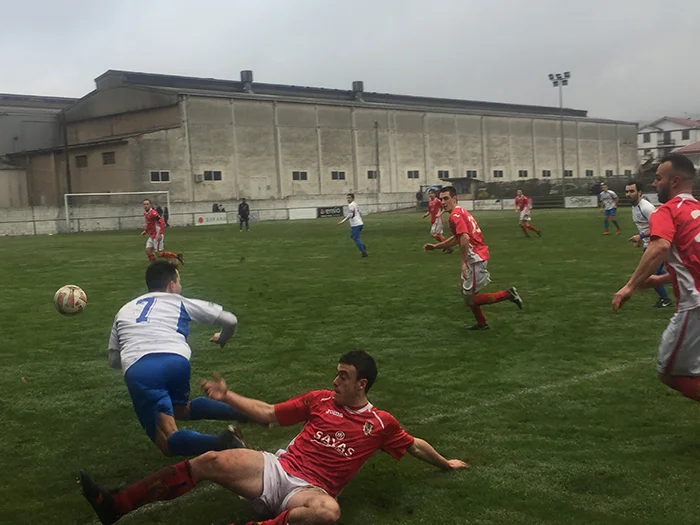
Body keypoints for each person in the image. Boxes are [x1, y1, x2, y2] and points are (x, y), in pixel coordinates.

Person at [80, 350, 468, 525]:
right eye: (336, 373)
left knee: (328, 513)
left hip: (311, 491)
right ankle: (116, 504)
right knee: (211, 460)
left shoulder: (380, 424)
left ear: (361, 384)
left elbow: (414, 444)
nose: (335, 381)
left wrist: (445, 463)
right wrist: (227, 396)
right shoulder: (320, 400)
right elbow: (267, 412)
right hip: (278, 469)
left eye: (344, 376)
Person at [107, 260, 247, 457]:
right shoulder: (179, 302)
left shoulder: (125, 310)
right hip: (177, 361)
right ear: (171, 285)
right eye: (179, 281)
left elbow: (113, 360)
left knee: (167, 443)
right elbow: (230, 320)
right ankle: (246, 413)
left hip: (142, 368)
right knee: (180, 409)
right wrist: (222, 338)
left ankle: (224, 442)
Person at [612, 154, 700, 404]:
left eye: (658, 178)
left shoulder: (667, 211)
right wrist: (659, 280)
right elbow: (692, 262)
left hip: (694, 305)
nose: (654, 183)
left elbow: (659, 246)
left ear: (674, 181)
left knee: (669, 372)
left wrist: (629, 286)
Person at [424, 186, 522, 330]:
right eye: (441, 199)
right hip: (476, 256)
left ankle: (507, 294)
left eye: (446, 198)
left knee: (469, 300)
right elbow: (457, 238)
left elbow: (464, 238)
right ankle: (482, 324)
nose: (443, 202)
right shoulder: (460, 212)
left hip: (475, 258)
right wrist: (436, 246)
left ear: (454, 198)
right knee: (466, 293)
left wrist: (463, 262)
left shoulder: (455, 215)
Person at [624, 181, 672, 308]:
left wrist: (640, 236)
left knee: (650, 274)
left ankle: (665, 299)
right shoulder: (635, 207)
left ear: (639, 192)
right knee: (658, 272)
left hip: (656, 245)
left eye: (632, 191)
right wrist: (640, 239)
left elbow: (660, 226)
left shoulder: (646, 208)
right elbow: (645, 226)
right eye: (627, 191)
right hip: (649, 245)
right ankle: (683, 279)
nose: (628, 194)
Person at [142, 199, 183, 265]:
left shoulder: (153, 213)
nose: (146, 206)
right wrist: (145, 231)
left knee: (159, 254)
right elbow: (149, 224)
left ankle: (177, 256)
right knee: (148, 251)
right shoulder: (146, 214)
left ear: (150, 205)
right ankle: (155, 266)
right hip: (152, 235)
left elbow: (162, 222)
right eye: (144, 204)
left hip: (157, 235)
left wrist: (160, 233)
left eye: (147, 204)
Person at [337, 193, 367, 257]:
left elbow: (351, 215)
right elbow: (359, 212)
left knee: (356, 238)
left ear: (353, 198)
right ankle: (362, 246)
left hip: (356, 224)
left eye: (349, 198)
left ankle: (364, 252)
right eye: (347, 198)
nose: (348, 199)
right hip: (359, 223)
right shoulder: (355, 204)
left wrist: (343, 221)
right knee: (353, 236)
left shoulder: (351, 205)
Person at [422, 188, 451, 253]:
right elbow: (429, 210)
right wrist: (426, 215)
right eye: (429, 193)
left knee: (433, 234)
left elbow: (444, 208)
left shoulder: (438, 201)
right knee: (440, 235)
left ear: (435, 194)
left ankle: (446, 246)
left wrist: (439, 214)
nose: (430, 194)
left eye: (432, 193)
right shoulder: (430, 202)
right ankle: (448, 247)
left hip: (438, 220)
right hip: (433, 220)